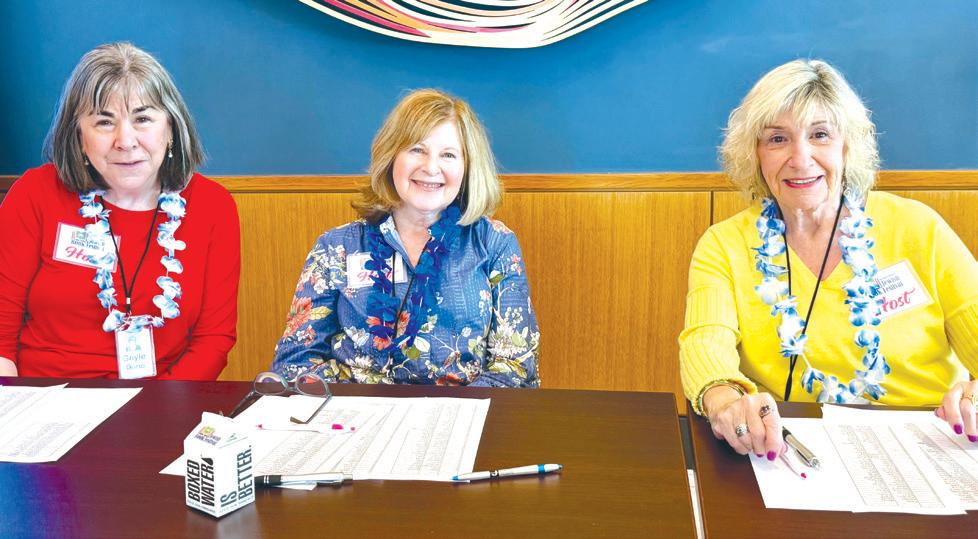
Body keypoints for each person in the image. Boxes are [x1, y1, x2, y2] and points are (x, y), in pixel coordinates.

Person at [680, 59, 978, 458]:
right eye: (777, 139)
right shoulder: (724, 244)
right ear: (754, 154)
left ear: (847, 146)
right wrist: (724, 400)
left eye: (820, 135)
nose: (800, 158)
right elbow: (705, 344)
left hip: (932, 445)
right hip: (788, 448)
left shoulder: (920, 228)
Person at [0, 42, 240, 379]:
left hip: (165, 399)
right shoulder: (34, 194)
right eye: (104, 122)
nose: (125, 141)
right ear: (78, 135)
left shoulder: (213, 206)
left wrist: (158, 407)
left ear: (171, 129)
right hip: (44, 396)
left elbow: (213, 340)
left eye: (142, 119)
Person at [272, 89, 539, 387]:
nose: (431, 167)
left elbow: (515, 366)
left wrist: (450, 411)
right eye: (417, 150)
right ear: (391, 155)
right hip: (357, 410)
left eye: (448, 155)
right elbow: (294, 361)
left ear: (467, 168)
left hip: (463, 410)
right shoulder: (335, 248)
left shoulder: (495, 243)